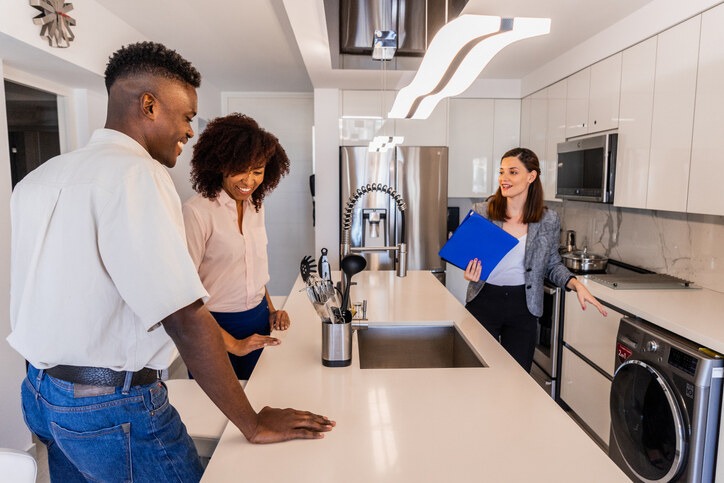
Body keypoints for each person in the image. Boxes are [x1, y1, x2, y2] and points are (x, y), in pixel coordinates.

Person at [8, 41, 334, 482]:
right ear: (148, 105)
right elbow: (183, 315)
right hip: (111, 405)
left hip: (40, 394)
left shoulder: (38, 179)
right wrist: (252, 423)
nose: (189, 131)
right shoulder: (138, 175)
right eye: (185, 117)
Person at [463, 147, 607, 372]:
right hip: (484, 301)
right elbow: (468, 253)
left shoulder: (547, 219)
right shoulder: (482, 212)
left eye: (512, 172)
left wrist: (575, 283)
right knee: (478, 375)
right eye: (502, 172)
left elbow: (551, 264)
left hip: (524, 306)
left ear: (531, 176)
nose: (504, 178)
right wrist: (468, 268)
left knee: (517, 380)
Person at [183, 113, 290, 380]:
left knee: (259, 400)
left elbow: (249, 268)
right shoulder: (197, 212)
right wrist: (233, 344)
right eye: (240, 169)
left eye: (257, 171)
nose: (249, 181)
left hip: (258, 319)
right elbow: (184, 296)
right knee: (214, 414)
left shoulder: (256, 206)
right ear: (220, 164)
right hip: (213, 327)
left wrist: (272, 310)